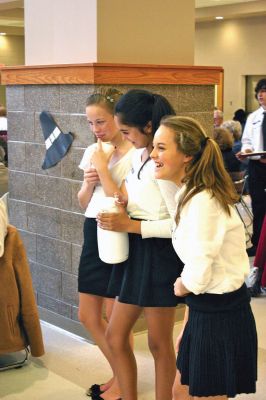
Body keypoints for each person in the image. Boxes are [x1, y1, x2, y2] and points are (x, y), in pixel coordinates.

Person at [150, 115, 258, 400]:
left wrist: (182, 286)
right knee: (181, 392)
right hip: (205, 310)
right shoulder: (189, 194)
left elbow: (198, 271)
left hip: (221, 316)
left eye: (161, 147)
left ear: (187, 155)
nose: (152, 154)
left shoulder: (203, 201)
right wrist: (187, 324)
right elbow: (197, 260)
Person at [97, 89, 184, 400]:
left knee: (160, 344)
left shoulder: (166, 164)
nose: (124, 138)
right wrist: (124, 203)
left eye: (126, 132)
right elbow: (140, 197)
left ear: (148, 126)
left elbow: (180, 224)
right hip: (136, 251)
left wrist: (131, 224)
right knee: (115, 334)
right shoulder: (138, 156)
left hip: (159, 255)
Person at [77, 88, 134, 400]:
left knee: (114, 319)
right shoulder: (92, 150)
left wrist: (102, 167)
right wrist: (88, 182)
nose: (96, 129)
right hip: (92, 226)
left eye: (100, 121)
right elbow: (82, 201)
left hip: (117, 231)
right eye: (90, 123)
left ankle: (123, 383)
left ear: (117, 117)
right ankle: (118, 373)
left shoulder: (134, 153)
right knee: (87, 314)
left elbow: (121, 202)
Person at [237, 78, 266, 257]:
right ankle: (257, 243)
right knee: (258, 204)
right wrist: (246, 149)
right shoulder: (253, 117)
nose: (261, 95)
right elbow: (246, 140)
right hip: (257, 166)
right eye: (259, 92)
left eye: (265, 91)